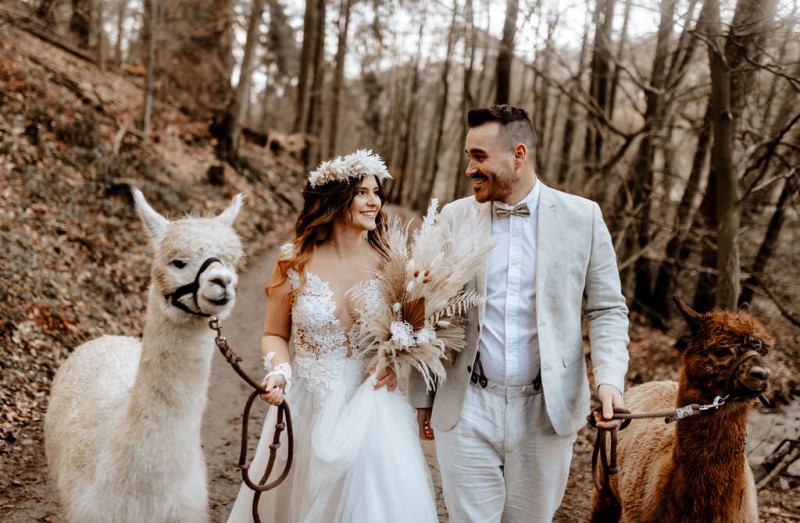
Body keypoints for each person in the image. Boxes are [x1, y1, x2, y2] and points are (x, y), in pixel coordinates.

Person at [408, 105, 630, 522]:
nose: (470, 169)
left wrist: (611, 381)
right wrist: (423, 395)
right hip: (466, 404)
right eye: (468, 157)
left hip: (548, 410)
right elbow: (425, 307)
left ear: (518, 154)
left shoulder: (584, 217)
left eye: (479, 157)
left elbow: (607, 309)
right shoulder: (452, 218)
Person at [228, 150, 438, 523]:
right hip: (306, 404)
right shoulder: (294, 260)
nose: (374, 201)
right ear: (334, 199)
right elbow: (274, 333)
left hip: (370, 407)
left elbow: (413, 327)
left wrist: (392, 361)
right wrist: (279, 372)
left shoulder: (394, 261)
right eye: (362, 192)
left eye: (376, 192)